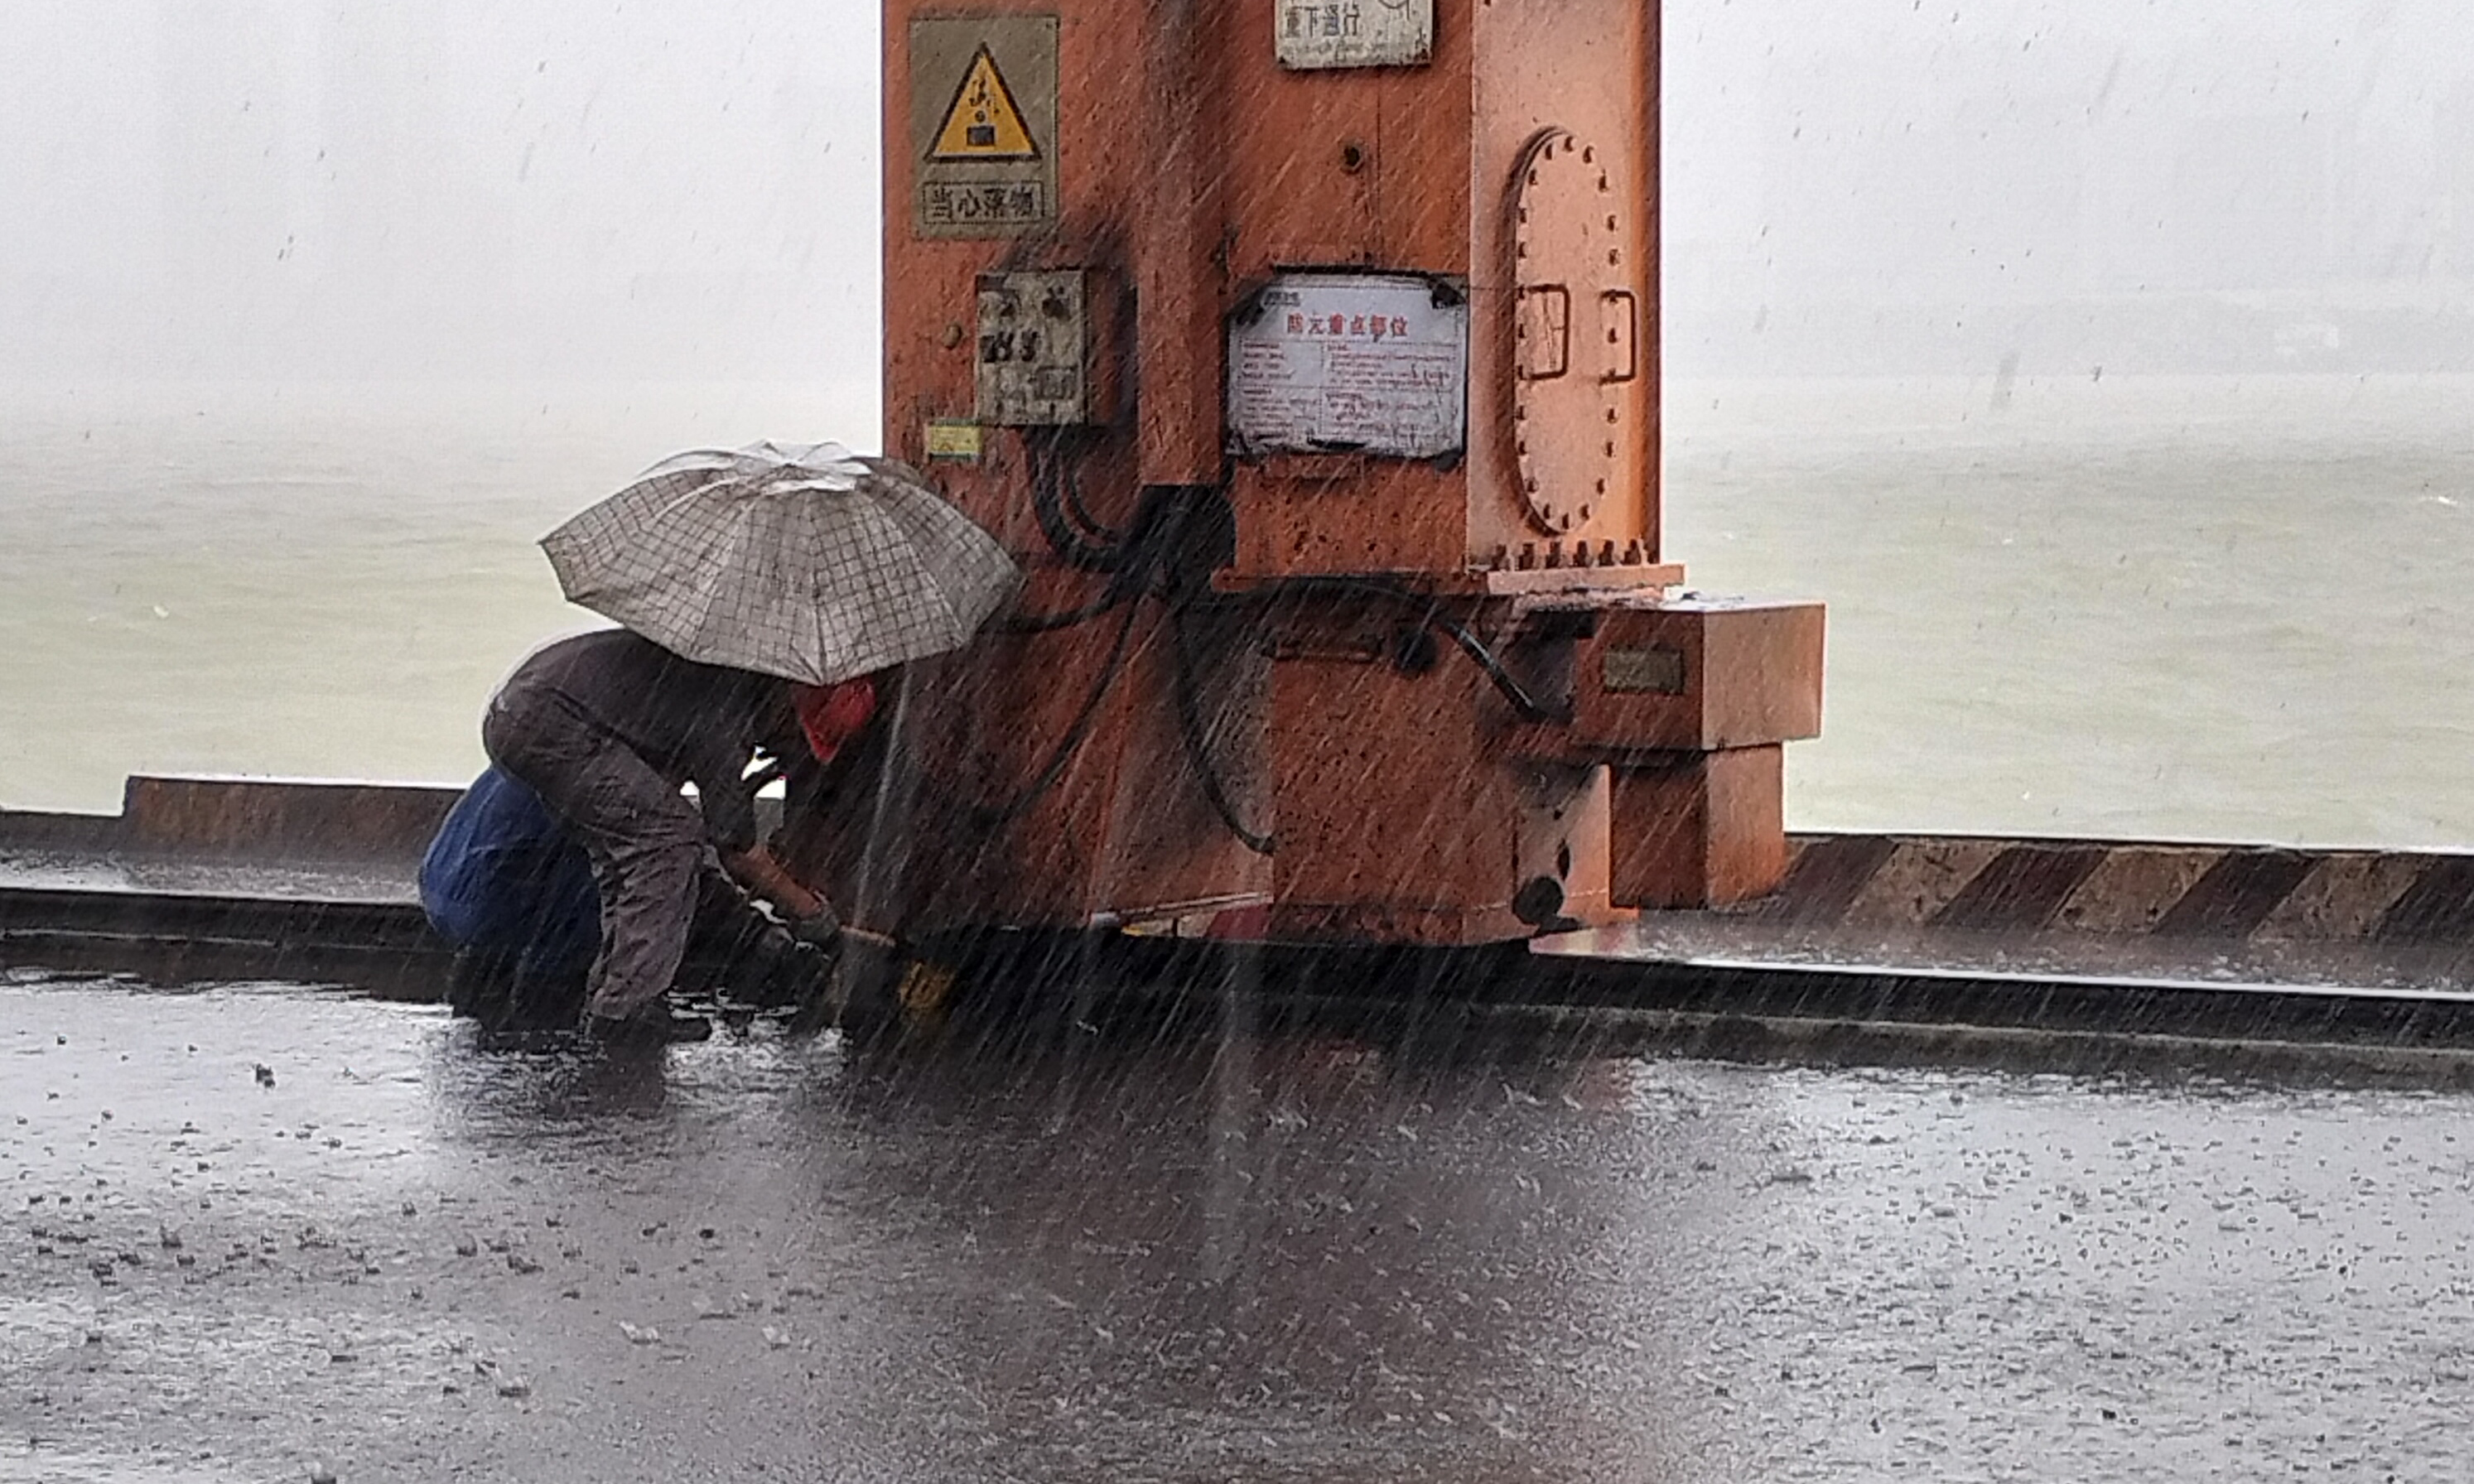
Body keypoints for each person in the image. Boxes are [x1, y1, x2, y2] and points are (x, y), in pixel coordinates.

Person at [479, 626, 845, 1043]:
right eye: (797, 739)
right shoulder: (724, 715)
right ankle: (626, 1009)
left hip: (520, 709)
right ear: (786, 709)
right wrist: (813, 916)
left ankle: (609, 994)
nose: (787, 750)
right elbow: (737, 849)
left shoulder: (719, 679)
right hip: (549, 717)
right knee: (669, 840)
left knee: (625, 850)